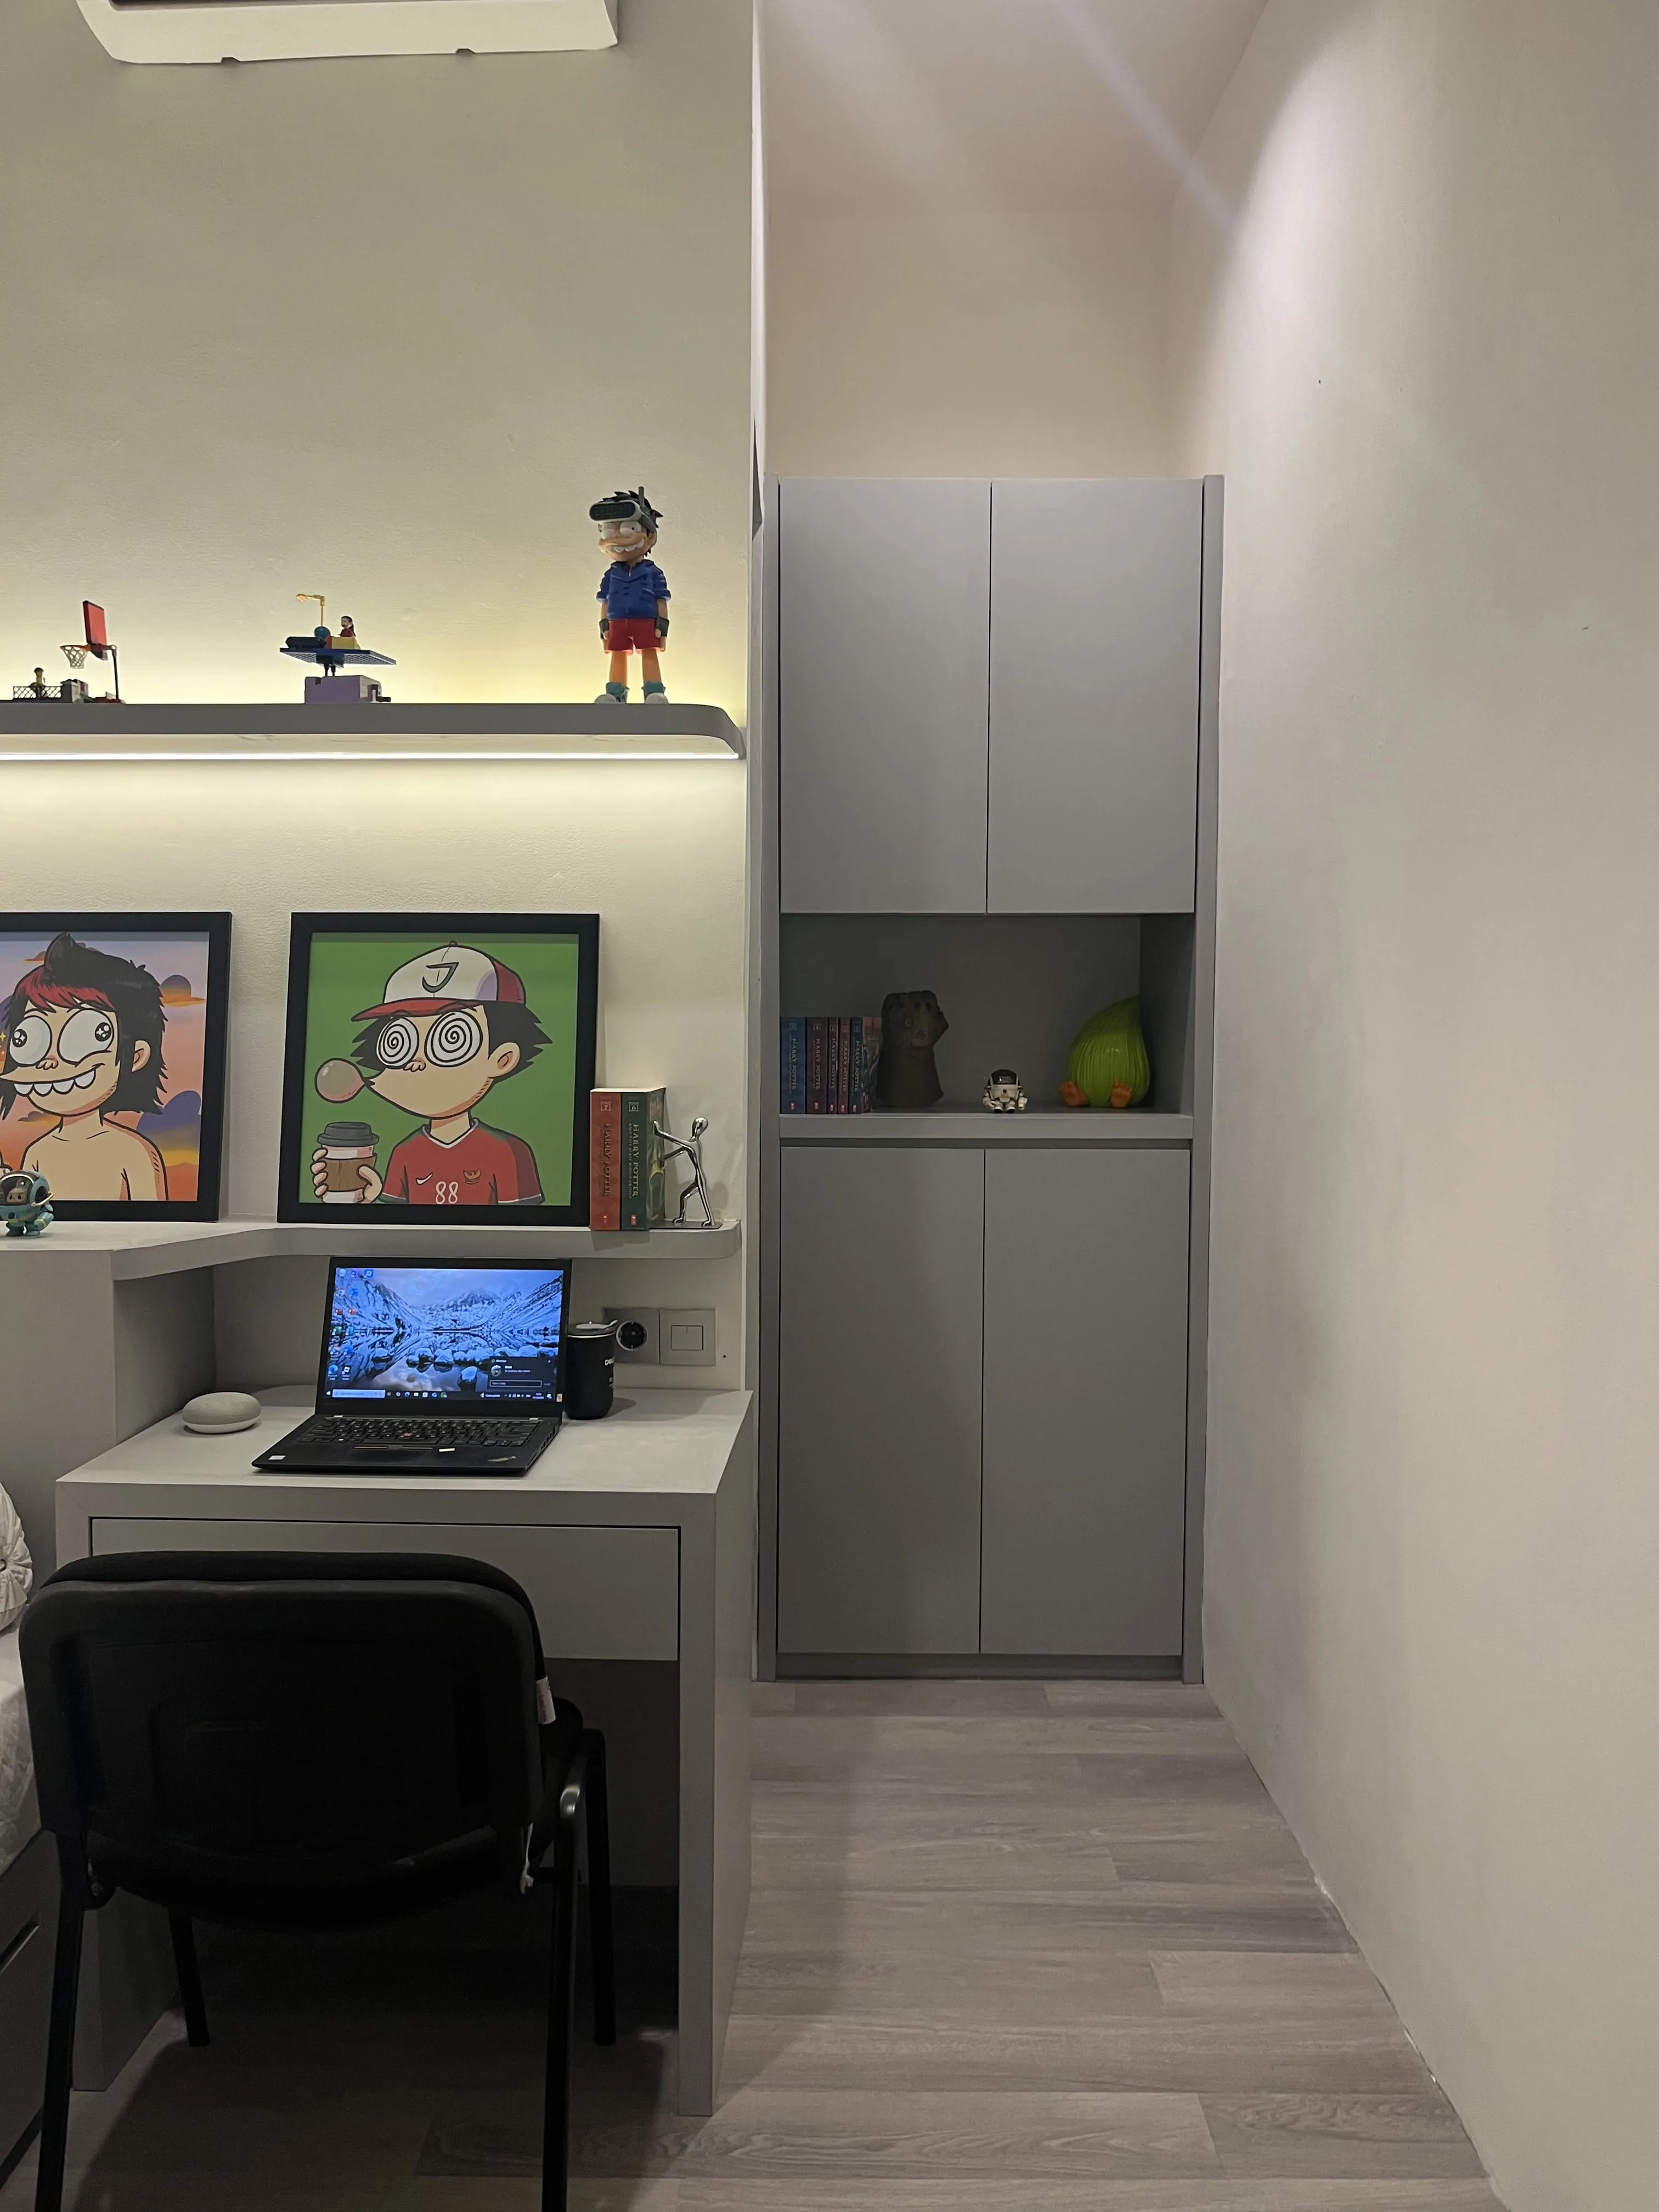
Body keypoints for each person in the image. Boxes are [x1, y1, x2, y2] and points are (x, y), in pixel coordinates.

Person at [311, 944, 549, 1206]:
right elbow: (397, 1225)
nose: (416, 1062)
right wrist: (364, 1203)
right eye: (398, 1042)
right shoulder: (405, 1152)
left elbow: (523, 1228)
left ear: (502, 1058)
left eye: (453, 1038)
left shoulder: (508, 1152)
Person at [0, 933, 168, 1200]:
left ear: (135, 1057)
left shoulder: (132, 1152)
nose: (50, 1061)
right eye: (30, 1038)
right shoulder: (37, 1153)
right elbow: (31, 1212)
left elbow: (156, 1218)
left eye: (85, 1035)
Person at [591, 487, 670, 703]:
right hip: (617, 623)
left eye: (629, 529)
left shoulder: (653, 572)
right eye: (609, 531)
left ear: (650, 536)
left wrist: (662, 626)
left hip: (645, 621)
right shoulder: (611, 574)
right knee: (618, 655)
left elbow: (661, 600)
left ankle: (654, 692)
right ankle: (615, 694)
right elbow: (605, 601)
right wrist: (604, 626)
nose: (617, 539)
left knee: (649, 652)